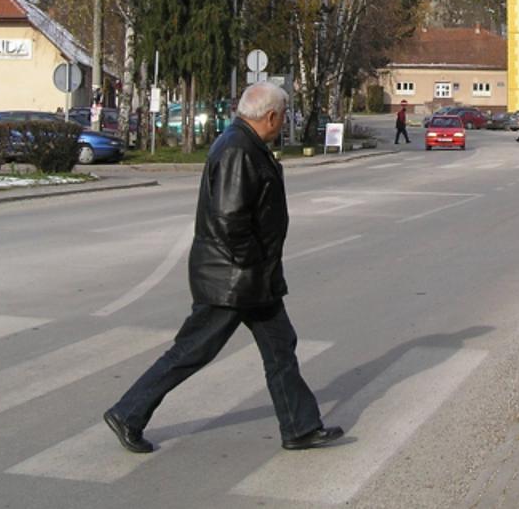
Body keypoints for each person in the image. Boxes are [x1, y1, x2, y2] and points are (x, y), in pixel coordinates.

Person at [104, 81, 343, 454]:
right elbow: (231, 220)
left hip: (249, 279)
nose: (281, 126)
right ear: (271, 116)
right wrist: (252, 265)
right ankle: (128, 412)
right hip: (233, 280)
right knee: (192, 351)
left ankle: (300, 427)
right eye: (281, 118)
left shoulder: (243, 142)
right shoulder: (238, 149)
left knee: (281, 348)